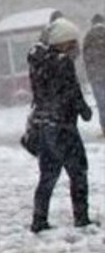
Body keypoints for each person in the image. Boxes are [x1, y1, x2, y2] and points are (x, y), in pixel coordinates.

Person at [27, 17, 93, 232]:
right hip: (63, 125)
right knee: (78, 171)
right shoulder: (63, 62)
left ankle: (39, 219)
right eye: (72, 42)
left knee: (48, 175)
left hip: (45, 125)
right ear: (63, 41)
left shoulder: (39, 60)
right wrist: (84, 110)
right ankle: (81, 217)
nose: (75, 47)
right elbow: (72, 92)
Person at [82, 14, 105, 138]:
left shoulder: (88, 36)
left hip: (96, 75)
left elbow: (86, 57)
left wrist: (90, 73)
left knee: (102, 103)